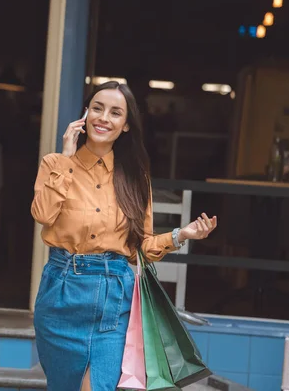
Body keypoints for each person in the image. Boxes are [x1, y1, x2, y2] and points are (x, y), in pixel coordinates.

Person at [31, 81, 217, 391]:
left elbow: (139, 247)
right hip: (62, 291)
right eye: (97, 108)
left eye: (115, 113)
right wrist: (65, 157)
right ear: (85, 115)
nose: (104, 118)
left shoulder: (134, 176)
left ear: (126, 125)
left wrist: (180, 234)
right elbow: (43, 214)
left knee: (97, 387)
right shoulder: (56, 164)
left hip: (114, 297)